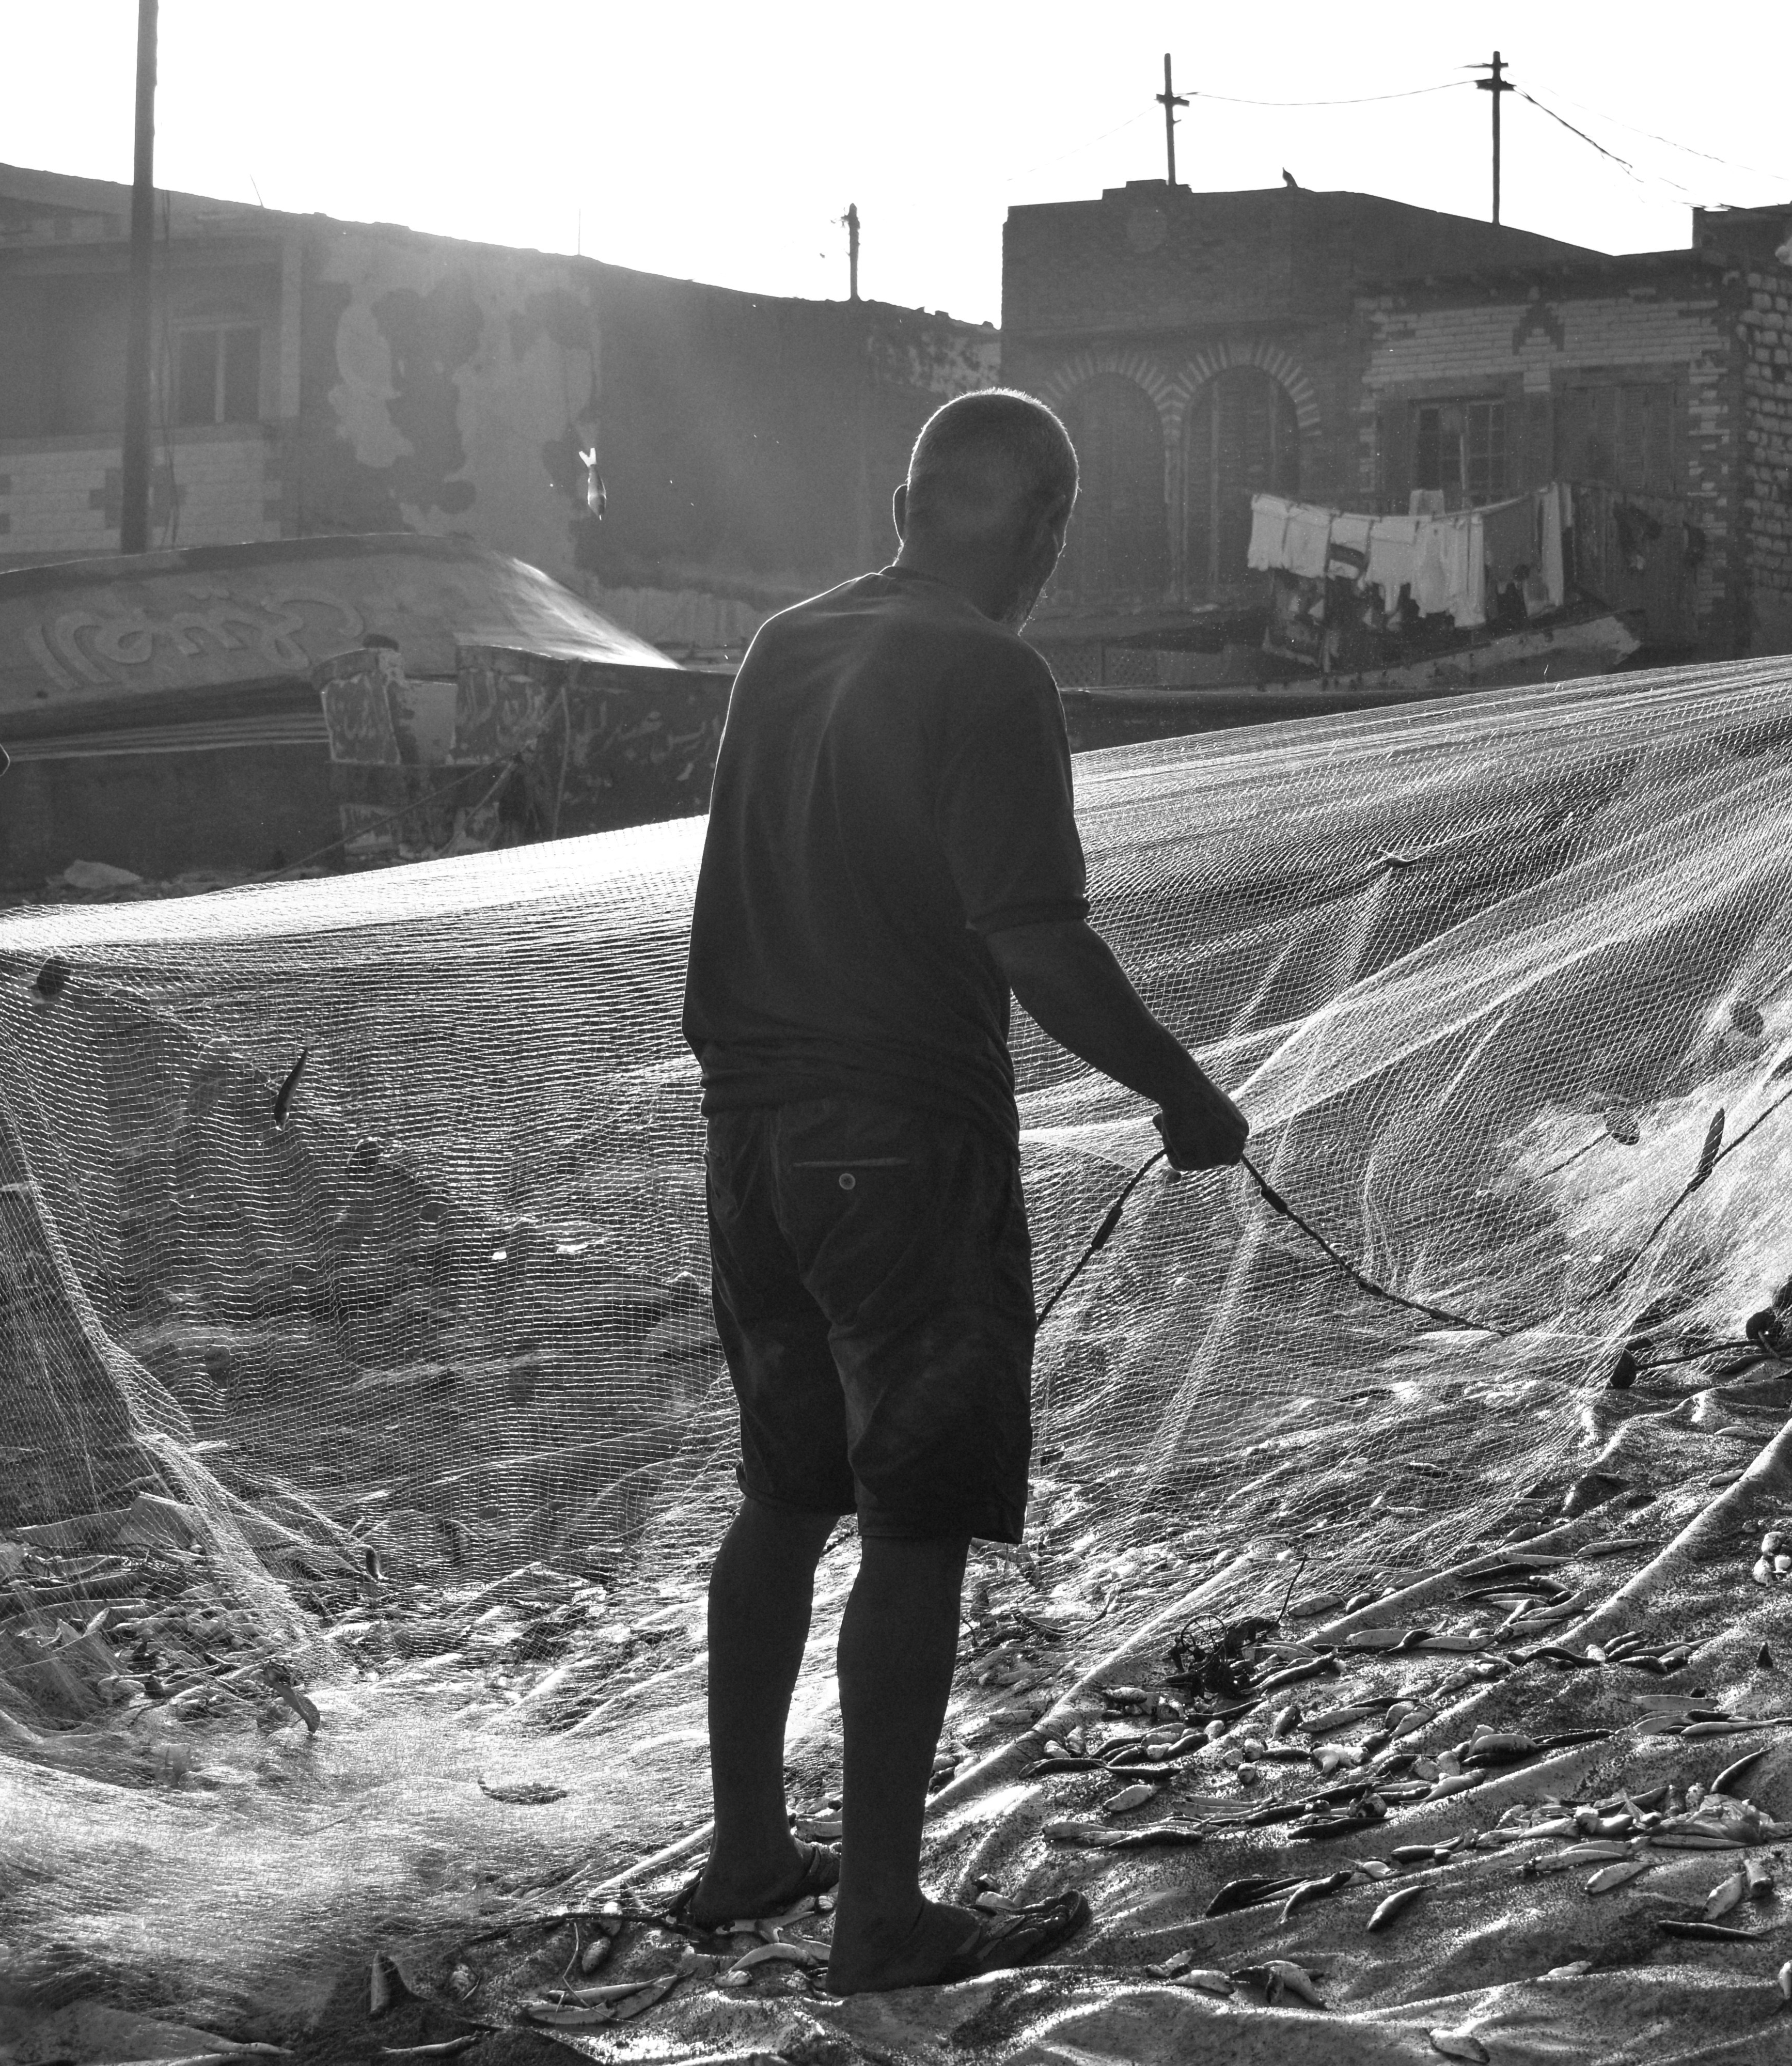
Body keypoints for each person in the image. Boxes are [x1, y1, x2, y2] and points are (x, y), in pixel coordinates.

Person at [678, 389, 1250, 1989]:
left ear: (905, 500)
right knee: (915, 1520)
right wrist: (1183, 1092)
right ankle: (880, 1911)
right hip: (899, 1140)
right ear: (1048, 529)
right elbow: (1035, 941)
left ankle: (744, 1854)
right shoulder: (991, 673)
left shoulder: (786, 644)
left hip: (751, 1137)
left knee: (787, 1497)